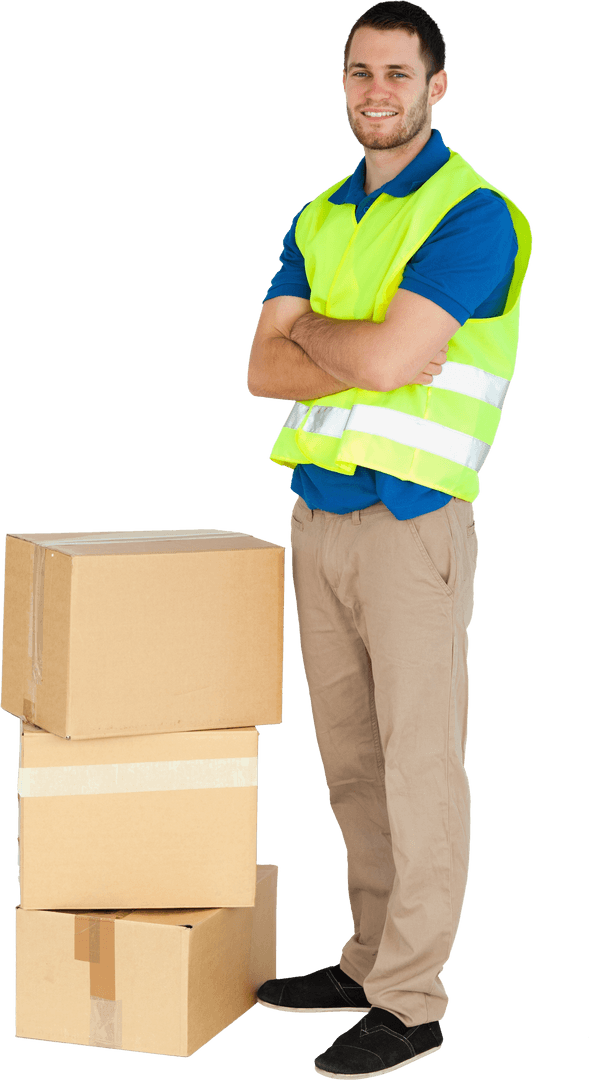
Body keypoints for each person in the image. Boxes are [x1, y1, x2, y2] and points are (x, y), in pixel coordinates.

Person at [247, 2, 532, 1076]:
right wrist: (347, 342)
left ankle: (411, 1003)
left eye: (399, 72)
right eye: (360, 70)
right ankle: (365, 960)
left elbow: (372, 359)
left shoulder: (474, 214)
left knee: (419, 770)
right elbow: (260, 369)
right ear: (344, 81)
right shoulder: (319, 214)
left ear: (436, 85)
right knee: (351, 767)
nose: (378, 89)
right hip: (316, 515)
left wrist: (317, 335)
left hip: (412, 524)